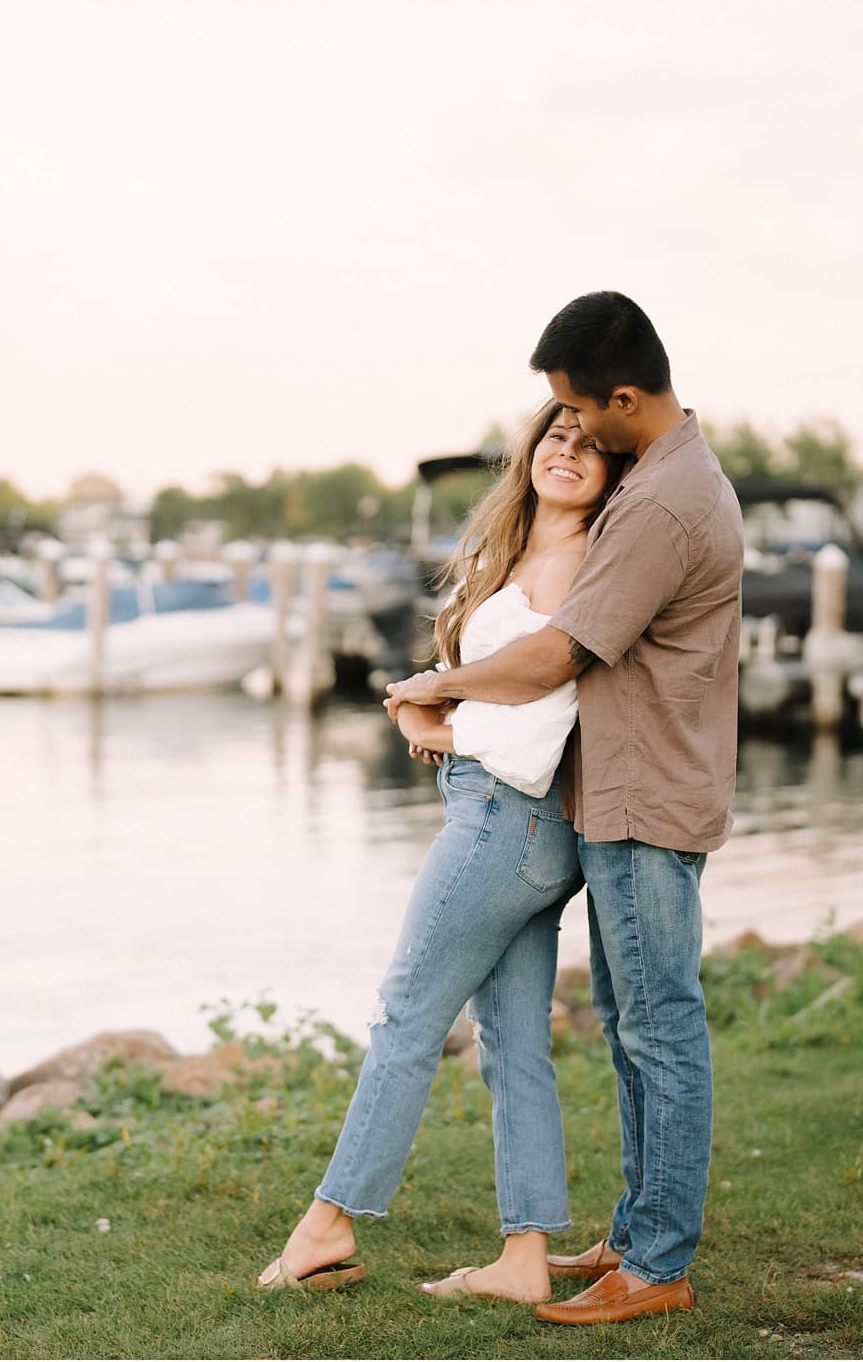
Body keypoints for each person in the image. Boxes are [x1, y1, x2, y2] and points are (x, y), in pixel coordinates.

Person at [385, 290, 743, 1326]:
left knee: (658, 1027)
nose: (572, 428)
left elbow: (556, 653)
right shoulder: (666, 479)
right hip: (632, 788)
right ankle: (634, 1234)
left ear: (626, 397)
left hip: (642, 798)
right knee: (634, 1021)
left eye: (580, 410)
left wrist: (435, 686)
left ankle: (658, 1260)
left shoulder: (666, 505)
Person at [257, 399, 626, 1303]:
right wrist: (439, 714)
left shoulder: (581, 561)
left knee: (406, 1017)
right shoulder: (521, 555)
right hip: (524, 828)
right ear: (530, 450)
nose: (569, 450)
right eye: (557, 434)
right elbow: (509, 700)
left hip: (507, 819)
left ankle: (327, 1224)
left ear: (614, 470)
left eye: (591, 443)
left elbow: (540, 726)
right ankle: (526, 1257)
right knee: (512, 1042)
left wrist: (440, 718)